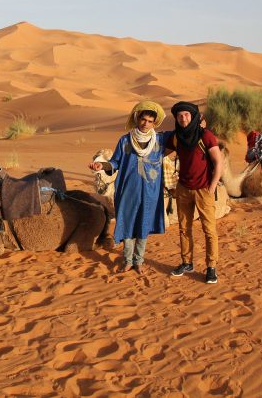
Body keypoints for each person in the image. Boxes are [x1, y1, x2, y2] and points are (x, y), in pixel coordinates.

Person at [89, 101, 167, 274]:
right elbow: (115, 162)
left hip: (150, 192)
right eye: (143, 119)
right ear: (137, 118)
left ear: (154, 123)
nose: (145, 123)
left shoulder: (160, 140)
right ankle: (127, 260)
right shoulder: (125, 140)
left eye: (149, 121)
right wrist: (102, 166)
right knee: (127, 223)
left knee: (143, 224)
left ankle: (138, 261)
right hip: (128, 191)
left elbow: (183, 136)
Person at [165, 101, 223, 284]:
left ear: (194, 116)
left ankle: (211, 266)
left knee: (209, 230)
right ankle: (186, 262)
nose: (183, 118)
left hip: (203, 189)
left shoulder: (205, 136)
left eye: (187, 115)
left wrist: (212, 186)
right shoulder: (176, 137)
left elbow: (218, 162)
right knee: (184, 228)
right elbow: (161, 154)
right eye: (180, 116)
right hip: (183, 188)